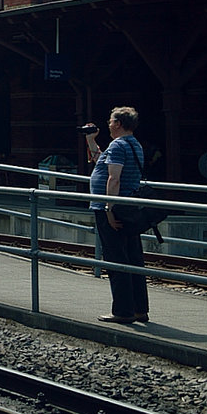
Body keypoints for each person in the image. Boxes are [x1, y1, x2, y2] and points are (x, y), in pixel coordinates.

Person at [84, 106, 148, 324]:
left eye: (111, 121)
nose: (109, 125)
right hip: (129, 208)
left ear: (119, 123)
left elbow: (113, 178)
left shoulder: (119, 145)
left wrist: (109, 209)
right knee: (133, 258)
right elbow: (100, 161)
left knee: (116, 259)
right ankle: (140, 309)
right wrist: (91, 139)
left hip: (114, 209)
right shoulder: (133, 144)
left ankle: (122, 311)